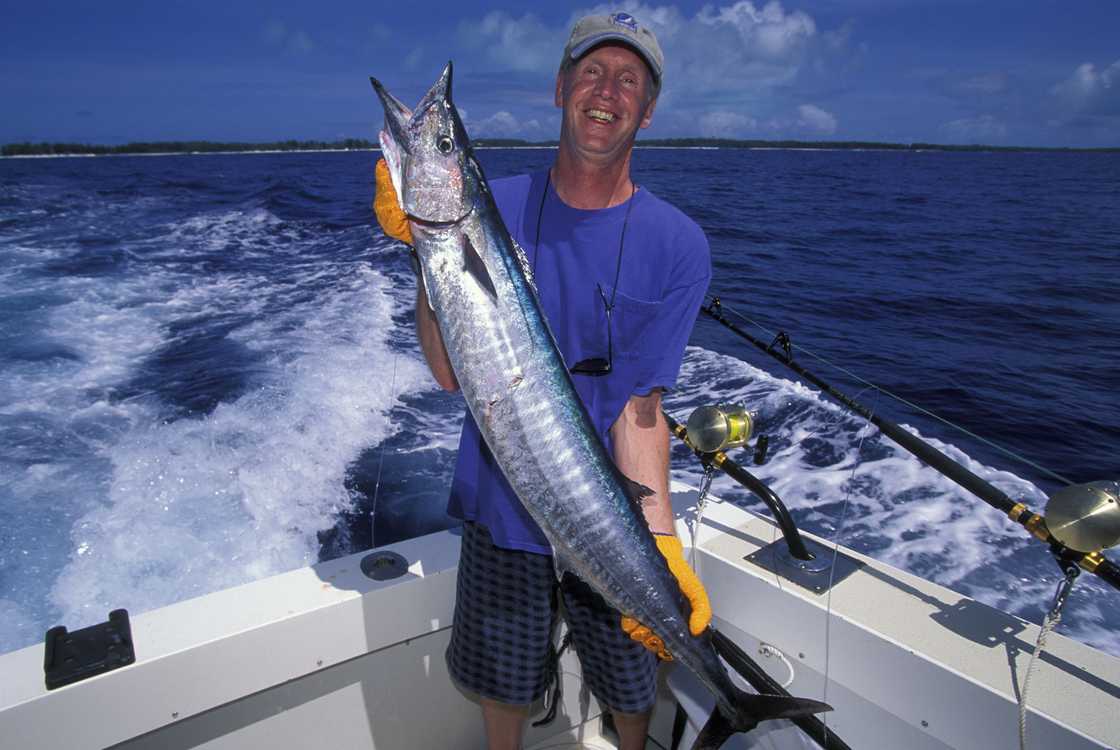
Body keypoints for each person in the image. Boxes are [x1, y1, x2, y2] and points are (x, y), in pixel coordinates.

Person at [374, 12, 712, 750]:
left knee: (631, 685)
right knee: (501, 689)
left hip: (607, 516)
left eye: (629, 80)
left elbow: (642, 412)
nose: (607, 91)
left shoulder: (679, 244)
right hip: (502, 505)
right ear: (561, 88)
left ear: (648, 110)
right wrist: (426, 255)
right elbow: (445, 369)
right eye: (592, 72)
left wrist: (661, 546)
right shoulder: (502, 207)